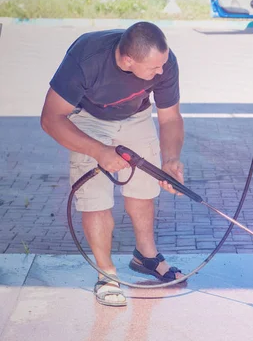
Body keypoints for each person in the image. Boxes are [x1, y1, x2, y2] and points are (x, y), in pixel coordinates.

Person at [41, 21, 186, 307]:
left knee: (145, 191)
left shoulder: (165, 61)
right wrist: (99, 151)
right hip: (88, 121)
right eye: (153, 68)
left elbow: (170, 117)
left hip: (136, 116)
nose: (160, 71)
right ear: (128, 59)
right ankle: (106, 273)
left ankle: (146, 256)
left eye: (162, 65)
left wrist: (170, 160)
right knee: (95, 198)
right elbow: (50, 119)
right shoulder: (86, 58)